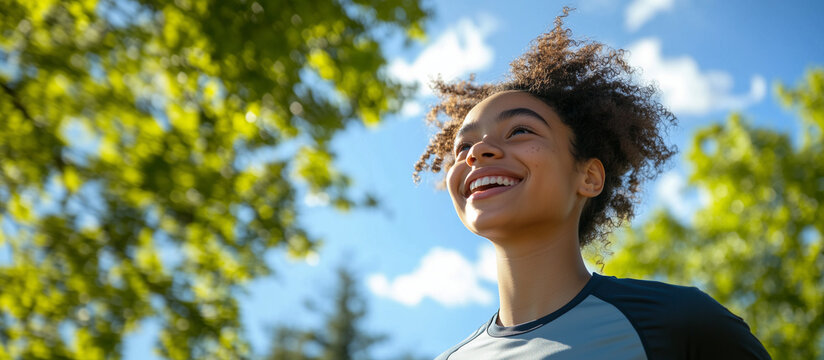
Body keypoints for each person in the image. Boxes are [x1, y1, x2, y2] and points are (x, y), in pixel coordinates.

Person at [413, 8, 771, 360]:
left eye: (520, 130)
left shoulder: (679, 324)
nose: (478, 151)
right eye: (464, 146)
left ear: (589, 177)